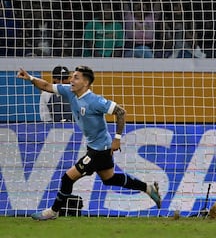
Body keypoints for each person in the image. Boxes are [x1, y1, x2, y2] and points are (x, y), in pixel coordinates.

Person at [17, 65, 161, 220]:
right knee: (109, 179)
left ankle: (53, 211)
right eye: (72, 77)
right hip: (95, 146)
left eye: (76, 77)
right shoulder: (69, 91)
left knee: (68, 177)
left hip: (100, 150)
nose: (71, 80)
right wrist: (30, 78)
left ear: (85, 83)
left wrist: (117, 139)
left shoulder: (95, 101)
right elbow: (46, 86)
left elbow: (121, 112)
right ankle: (147, 188)